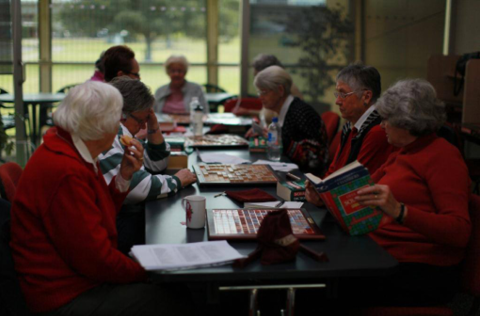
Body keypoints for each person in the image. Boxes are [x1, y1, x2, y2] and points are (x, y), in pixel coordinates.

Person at [10, 81, 193, 315]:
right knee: (172, 298)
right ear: (100, 127)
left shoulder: (72, 147)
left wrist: (124, 177)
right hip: (64, 294)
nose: (122, 130)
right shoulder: (66, 170)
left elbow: (99, 213)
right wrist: (147, 271)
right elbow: (96, 260)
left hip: (77, 277)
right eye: (117, 121)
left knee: (175, 289)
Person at [350, 79, 471, 306]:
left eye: (386, 119)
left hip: (420, 271)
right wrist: (325, 195)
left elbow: (460, 231)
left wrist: (400, 211)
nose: (382, 125)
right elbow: (363, 190)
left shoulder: (443, 156)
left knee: (327, 287)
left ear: (406, 122)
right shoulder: (403, 152)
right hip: (384, 256)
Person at [100, 76, 197, 254]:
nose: (143, 125)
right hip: (115, 224)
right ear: (122, 115)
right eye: (140, 120)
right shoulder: (111, 133)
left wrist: (153, 124)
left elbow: (157, 163)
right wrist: (177, 180)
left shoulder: (120, 129)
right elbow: (138, 189)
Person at [305, 63, 395, 205]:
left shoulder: (378, 130)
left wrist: (323, 198)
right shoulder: (351, 124)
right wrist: (320, 188)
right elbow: (335, 170)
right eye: (337, 94)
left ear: (366, 96)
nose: (337, 101)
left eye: (343, 94)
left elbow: (357, 184)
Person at [253, 65, 328, 176]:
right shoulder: (286, 110)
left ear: (280, 90)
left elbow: (314, 160)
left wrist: (280, 139)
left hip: (306, 180)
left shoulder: (300, 113)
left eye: (264, 92)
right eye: (259, 92)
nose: (261, 97)